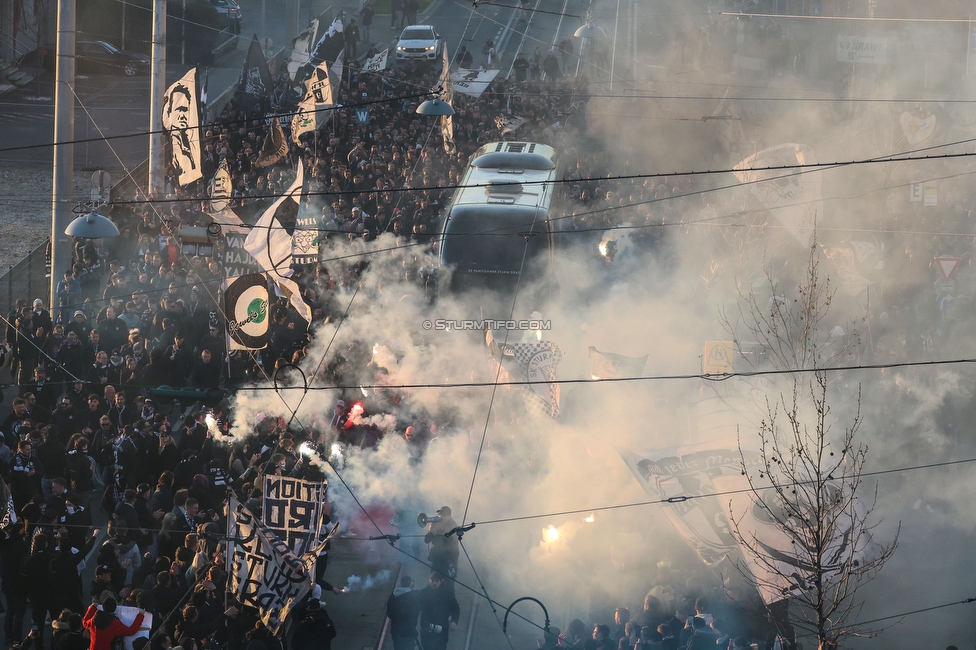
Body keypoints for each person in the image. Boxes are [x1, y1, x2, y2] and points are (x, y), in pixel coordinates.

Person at [417, 573, 458, 650]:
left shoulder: (447, 594)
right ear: (429, 580)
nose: (434, 583)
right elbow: (414, 606)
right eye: (433, 581)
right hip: (427, 628)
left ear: (441, 581)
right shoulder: (422, 593)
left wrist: (454, 621)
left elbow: (455, 608)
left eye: (437, 581)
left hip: (442, 629)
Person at [423, 506, 459, 590]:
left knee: (448, 584)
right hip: (436, 558)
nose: (440, 517)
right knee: (434, 581)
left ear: (448, 516)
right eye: (439, 515)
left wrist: (438, 532)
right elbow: (426, 540)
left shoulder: (453, 526)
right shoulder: (437, 525)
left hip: (448, 560)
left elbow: (450, 543)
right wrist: (432, 532)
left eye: (442, 516)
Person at [386, 575, 421, 650]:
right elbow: (417, 611)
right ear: (409, 584)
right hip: (409, 629)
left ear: (400, 583)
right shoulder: (413, 596)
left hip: (396, 629)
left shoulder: (393, 595)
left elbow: (389, 614)